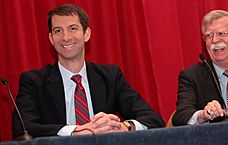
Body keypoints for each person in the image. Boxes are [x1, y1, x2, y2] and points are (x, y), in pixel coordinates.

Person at [12, 4, 164, 138]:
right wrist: (76, 131)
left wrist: (125, 127)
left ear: (86, 34)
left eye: (73, 28)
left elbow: (153, 119)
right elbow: (22, 128)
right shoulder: (34, 81)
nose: (65, 37)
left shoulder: (110, 76)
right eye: (58, 31)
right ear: (51, 39)